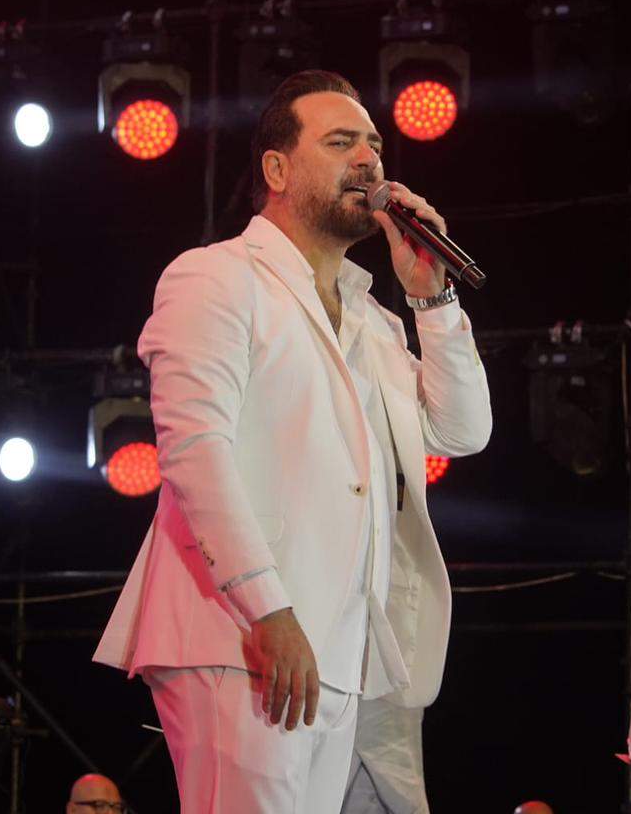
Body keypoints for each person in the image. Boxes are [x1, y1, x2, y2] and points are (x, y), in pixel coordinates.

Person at [94, 69, 492, 814]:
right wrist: (268, 609)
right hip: (239, 634)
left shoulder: (373, 320)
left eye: (373, 145)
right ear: (277, 169)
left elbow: (462, 430)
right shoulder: (215, 277)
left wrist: (431, 297)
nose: (368, 160)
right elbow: (195, 453)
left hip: (338, 654)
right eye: (340, 143)